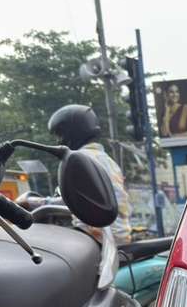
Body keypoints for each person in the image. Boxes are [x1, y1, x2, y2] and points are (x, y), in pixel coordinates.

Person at [48, 104, 133, 246]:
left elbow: (71, 201)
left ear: (72, 132)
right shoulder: (105, 159)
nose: (58, 141)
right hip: (117, 237)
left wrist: (32, 202)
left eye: (60, 135)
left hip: (98, 238)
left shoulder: (79, 160)